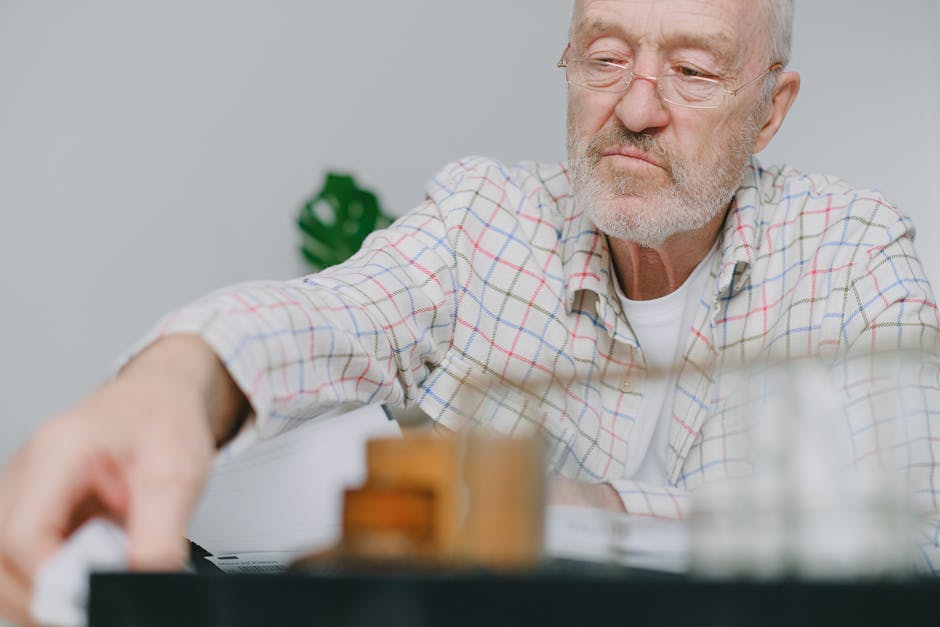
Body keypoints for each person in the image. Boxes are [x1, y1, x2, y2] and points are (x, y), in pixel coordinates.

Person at [2, 0, 938, 622]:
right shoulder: (486, 213)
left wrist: (568, 511)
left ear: (770, 111)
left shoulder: (852, 248)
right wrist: (176, 380)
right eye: (606, 56)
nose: (636, 106)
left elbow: (919, 537)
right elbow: (330, 315)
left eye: (694, 72)